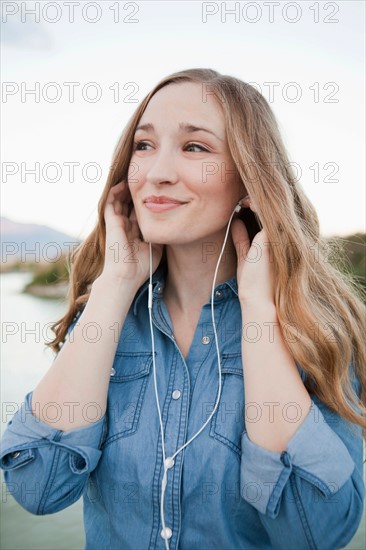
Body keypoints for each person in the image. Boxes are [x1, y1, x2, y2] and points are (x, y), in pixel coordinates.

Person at [1, 68, 365, 550]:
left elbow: (314, 530)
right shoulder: (108, 319)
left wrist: (259, 313)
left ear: (249, 177)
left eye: (195, 147)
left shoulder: (317, 330)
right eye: (144, 145)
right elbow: (37, 486)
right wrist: (113, 285)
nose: (156, 172)